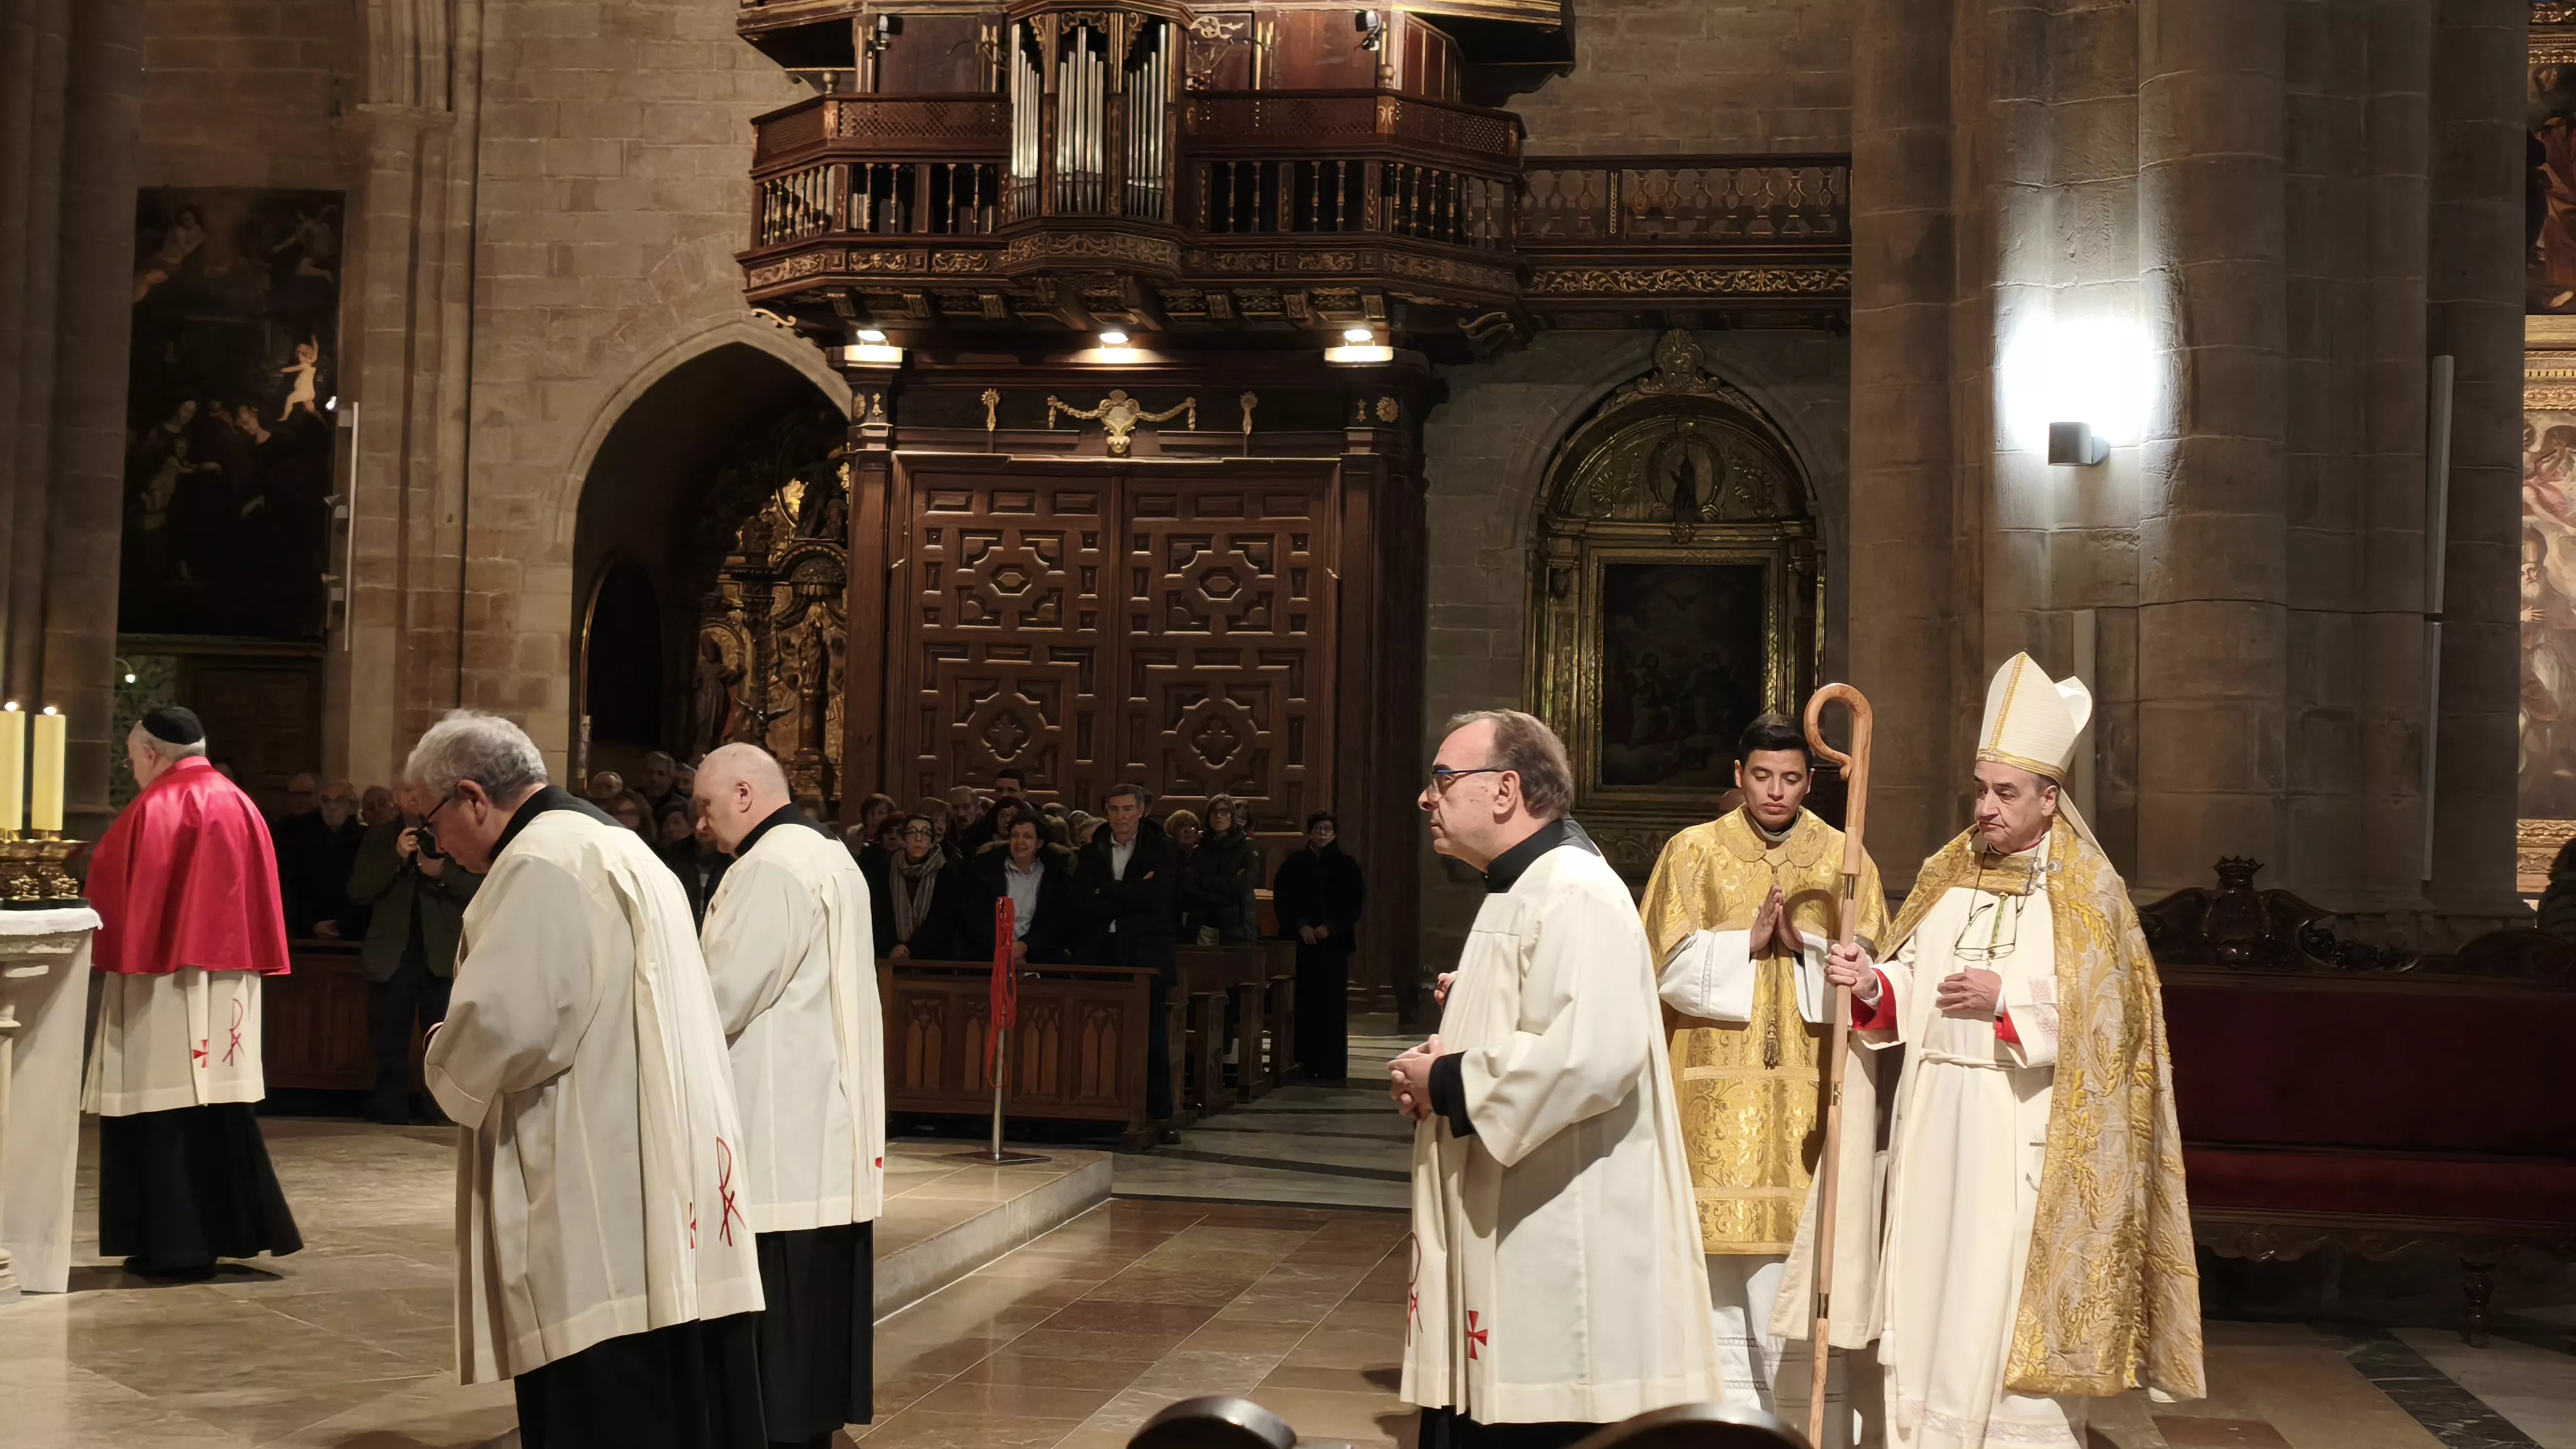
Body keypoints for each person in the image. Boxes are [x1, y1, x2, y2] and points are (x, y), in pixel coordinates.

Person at [1810, 655, 2203, 1447]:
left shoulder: (2091, 897)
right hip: (1935, 1125)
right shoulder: (1947, 873)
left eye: (2005, 793)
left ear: (2050, 799)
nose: (1985, 808)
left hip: (2022, 1139)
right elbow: (1911, 980)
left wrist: (2011, 1007)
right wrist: (1870, 983)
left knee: (1996, 1306)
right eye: (1980, 789)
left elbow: (2116, 1027)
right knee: (1931, 1295)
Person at [411, 711, 765, 1448]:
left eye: (430, 821)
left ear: (474, 798)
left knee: (601, 1393)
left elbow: (508, 1025)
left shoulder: (539, 863)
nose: (432, 843)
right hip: (654, 1164)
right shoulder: (620, 846)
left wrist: (445, 1050)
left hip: (591, 1182)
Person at [1389, 709, 1717, 1447]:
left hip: (1558, 1222)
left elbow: (1594, 1052)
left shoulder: (1574, 889)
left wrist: (1447, 1083)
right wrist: (1443, 1055)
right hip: (1514, 1204)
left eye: (1443, 778)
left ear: (1505, 791)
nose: (1425, 797)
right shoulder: (1520, 885)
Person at [1638, 714, 1889, 1445]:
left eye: (1789, 779)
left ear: (1811, 783)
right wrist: (1738, 947)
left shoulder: (1844, 857)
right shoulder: (1692, 852)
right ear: (1738, 775)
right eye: (1760, 776)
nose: (1774, 791)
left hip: (1809, 1098)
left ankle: (1800, 1427)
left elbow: (1871, 969)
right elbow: (1654, 967)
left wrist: (1808, 950)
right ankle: (1720, 1427)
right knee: (1714, 1269)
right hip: (1709, 1097)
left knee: (1798, 1265)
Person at [694, 745, 884, 1449]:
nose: (703, 826)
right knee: (810, 1323)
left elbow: (719, 996)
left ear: (745, 795)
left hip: (778, 1133)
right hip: (819, 1130)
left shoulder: (769, 868)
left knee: (778, 1337)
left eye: (708, 808)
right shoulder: (829, 855)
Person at [85, 706, 304, 1278]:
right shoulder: (241, 803)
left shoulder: (157, 806)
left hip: (164, 980)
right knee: (218, 1110)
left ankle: (174, 1244)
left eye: (133, 760)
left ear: (153, 754)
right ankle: (227, 1230)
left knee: (163, 1107)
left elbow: (120, 890)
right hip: (229, 980)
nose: (134, 771)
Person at [345, 783, 482, 1125]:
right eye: (405, 791)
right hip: (394, 955)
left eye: (419, 793)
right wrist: (396, 857)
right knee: (389, 1039)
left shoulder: (456, 835)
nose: (412, 800)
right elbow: (358, 891)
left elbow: (480, 890)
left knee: (442, 1040)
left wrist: (442, 872)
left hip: (443, 955)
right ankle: (388, 1106)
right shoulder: (380, 837)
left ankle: (439, 1108)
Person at [1079, 783, 1180, 1130]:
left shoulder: (1162, 849)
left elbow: (1158, 899)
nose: (1119, 816)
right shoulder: (1092, 849)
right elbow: (1083, 900)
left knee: (1149, 1036)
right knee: (1099, 1034)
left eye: (1126, 809)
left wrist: (1107, 888)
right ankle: (1102, 1111)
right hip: (1100, 950)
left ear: (1141, 812)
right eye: (1113, 809)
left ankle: (1158, 1114)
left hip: (1144, 953)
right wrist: (1133, 891)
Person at [1273, 810, 1363, 1083]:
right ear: (1310, 832)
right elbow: (1285, 900)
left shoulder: (1347, 865)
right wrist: (1301, 926)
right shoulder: (1294, 864)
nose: (1323, 833)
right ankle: (1302, 1064)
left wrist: (1330, 927)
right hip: (1302, 946)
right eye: (1318, 829)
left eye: (1327, 829)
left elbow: (1353, 904)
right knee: (1303, 1006)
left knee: (1332, 1007)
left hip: (1333, 947)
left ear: (1334, 833)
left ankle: (1331, 1068)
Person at [972, 814, 1080, 964]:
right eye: (1015, 836)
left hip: (1041, 958)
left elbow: (1058, 921)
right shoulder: (984, 870)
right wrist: (1004, 950)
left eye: (1028, 836)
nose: (1020, 842)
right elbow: (975, 917)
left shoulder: (1055, 875)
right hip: (989, 956)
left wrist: (1025, 947)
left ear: (1040, 843)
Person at [875, 814, 968, 960]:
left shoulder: (947, 874)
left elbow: (943, 921)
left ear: (932, 842)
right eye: (912, 833)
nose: (919, 839)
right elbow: (879, 916)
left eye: (925, 834)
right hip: (890, 955)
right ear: (903, 840)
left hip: (932, 959)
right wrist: (893, 947)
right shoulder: (884, 871)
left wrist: (910, 950)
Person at [1183, 794, 1260, 946]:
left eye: (1224, 812)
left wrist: (1208, 881)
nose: (1219, 816)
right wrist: (1226, 884)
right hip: (1204, 925)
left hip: (1236, 925)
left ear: (1232, 816)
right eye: (1214, 812)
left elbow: (1243, 885)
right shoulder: (1200, 850)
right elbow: (1190, 887)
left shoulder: (1247, 847)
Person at [1165, 808, 1203, 936]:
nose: (1188, 830)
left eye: (1193, 826)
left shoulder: (1204, 855)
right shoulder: (1166, 856)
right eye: (1182, 826)